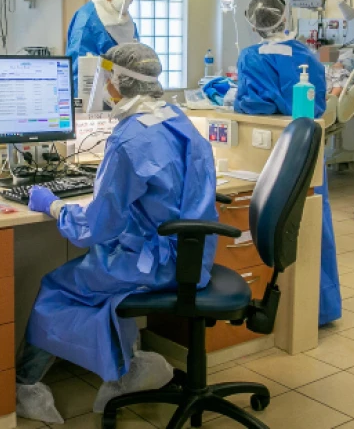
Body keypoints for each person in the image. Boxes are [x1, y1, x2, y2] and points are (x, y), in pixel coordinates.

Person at [17, 43, 217, 423]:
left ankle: (25, 386)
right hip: (194, 257)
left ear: (118, 83)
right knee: (103, 276)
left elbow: (94, 228)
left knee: (59, 286)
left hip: (155, 264)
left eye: (108, 77)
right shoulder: (177, 118)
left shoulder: (128, 139)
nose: (105, 85)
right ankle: (127, 367)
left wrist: (54, 205)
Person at [233, 0, 343, 327]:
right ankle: (320, 307)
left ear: (253, 24)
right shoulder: (306, 56)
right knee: (312, 226)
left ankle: (284, 310)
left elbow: (253, 105)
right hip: (304, 148)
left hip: (267, 149)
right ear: (285, 18)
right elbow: (317, 106)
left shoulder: (250, 57)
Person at [65, 0, 142, 84]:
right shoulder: (88, 18)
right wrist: (114, 68)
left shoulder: (127, 21)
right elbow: (82, 65)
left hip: (123, 90)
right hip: (93, 90)